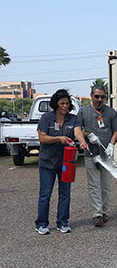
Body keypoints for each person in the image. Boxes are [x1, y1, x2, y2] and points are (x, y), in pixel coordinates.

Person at [35, 89, 88, 235]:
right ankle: (41, 223)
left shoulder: (73, 118)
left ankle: (63, 222)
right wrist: (58, 139)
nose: (65, 106)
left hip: (66, 163)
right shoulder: (46, 118)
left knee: (65, 194)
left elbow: (77, 131)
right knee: (45, 194)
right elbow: (42, 138)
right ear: (56, 104)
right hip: (47, 163)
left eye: (67, 103)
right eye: (62, 103)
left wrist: (82, 141)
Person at [75, 86, 117, 227]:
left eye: (102, 97)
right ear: (91, 96)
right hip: (91, 154)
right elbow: (77, 129)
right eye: (97, 96)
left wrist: (111, 145)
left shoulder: (111, 112)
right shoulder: (84, 112)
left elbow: (116, 131)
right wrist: (86, 137)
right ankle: (97, 214)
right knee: (94, 185)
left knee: (106, 186)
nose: (99, 99)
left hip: (106, 155)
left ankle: (104, 211)